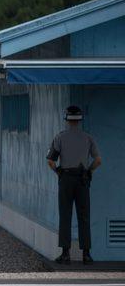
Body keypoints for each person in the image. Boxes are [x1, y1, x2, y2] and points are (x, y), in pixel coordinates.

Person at [47, 105, 102, 265]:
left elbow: (50, 160)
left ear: (66, 119)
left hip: (66, 179)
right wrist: (89, 172)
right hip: (82, 179)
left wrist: (58, 172)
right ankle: (86, 254)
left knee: (65, 215)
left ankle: (65, 254)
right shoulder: (88, 138)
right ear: (80, 119)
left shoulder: (60, 138)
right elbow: (98, 160)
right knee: (84, 216)